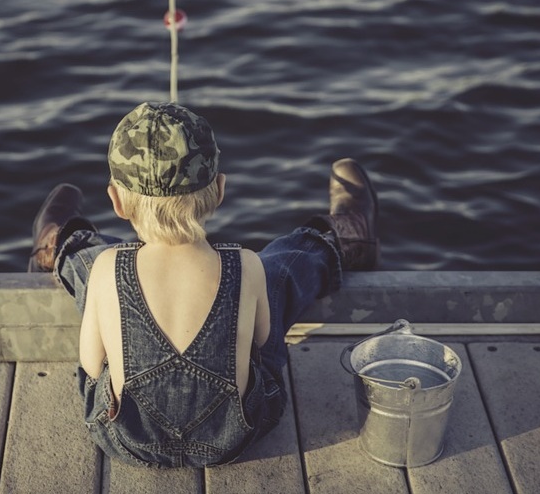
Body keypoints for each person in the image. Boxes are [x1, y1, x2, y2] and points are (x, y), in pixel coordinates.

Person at [27, 101, 378, 468]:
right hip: (235, 437)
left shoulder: (107, 267)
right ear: (220, 190)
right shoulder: (246, 264)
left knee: (96, 269)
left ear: (116, 201)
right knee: (275, 274)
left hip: (128, 439)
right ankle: (338, 239)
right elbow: (262, 342)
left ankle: (64, 243)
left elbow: (92, 366)